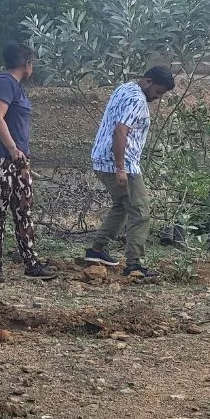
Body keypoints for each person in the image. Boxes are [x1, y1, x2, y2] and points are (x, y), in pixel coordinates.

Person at [84, 66, 176, 278]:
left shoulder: (125, 88)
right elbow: (120, 131)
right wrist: (120, 168)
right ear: (148, 81)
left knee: (121, 207)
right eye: (158, 92)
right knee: (140, 213)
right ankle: (134, 265)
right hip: (122, 164)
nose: (158, 97)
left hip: (101, 159)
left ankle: (96, 250)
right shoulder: (137, 100)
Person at [0, 43, 53, 283]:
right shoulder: (4, 83)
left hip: (17, 159)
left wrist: (20, 155)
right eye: (33, 63)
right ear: (26, 63)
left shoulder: (16, 87)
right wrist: (12, 149)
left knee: (23, 208)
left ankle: (31, 263)